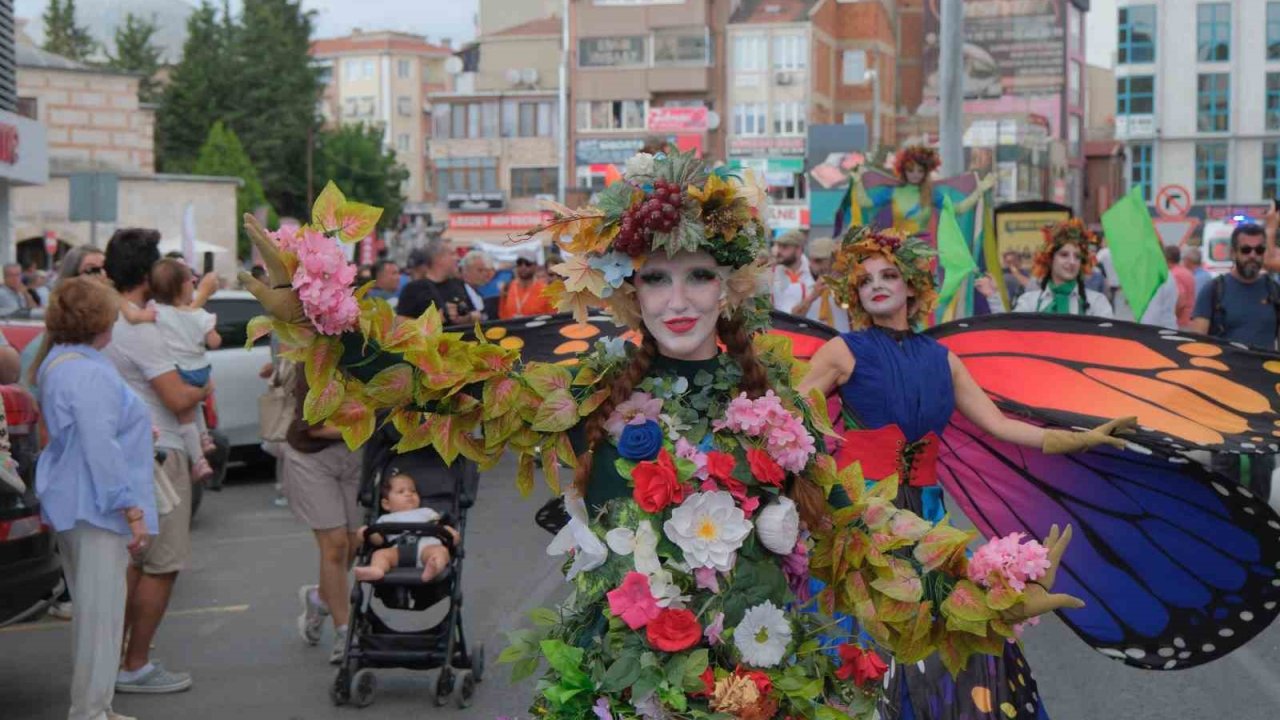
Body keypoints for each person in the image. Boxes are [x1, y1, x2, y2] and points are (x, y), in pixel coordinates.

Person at [241, 153, 1082, 717]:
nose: (678, 298)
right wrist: (329, 317)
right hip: (625, 678)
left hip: (759, 673)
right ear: (629, 292)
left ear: (731, 287)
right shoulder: (592, 385)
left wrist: (983, 583)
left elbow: (854, 534)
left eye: (699, 276)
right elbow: (446, 385)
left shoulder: (777, 400)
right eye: (656, 278)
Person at [799, 227, 1134, 719]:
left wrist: (1075, 438)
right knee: (863, 630)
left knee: (944, 626)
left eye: (888, 274)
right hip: (861, 514)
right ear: (855, 293)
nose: (877, 285)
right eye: (865, 279)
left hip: (927, 513)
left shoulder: (943, 359)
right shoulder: (842, 350)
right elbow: (792, 415)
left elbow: (998, 424)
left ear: (912, 286)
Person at [33, 277, 156, 720]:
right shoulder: (86, 369)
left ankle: (94, 709)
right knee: (101, 619)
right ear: (100, 319)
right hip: (96, 506)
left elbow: (90, 436)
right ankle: (90, 712)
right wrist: (133, 510)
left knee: (96, 615)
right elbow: (99, 446)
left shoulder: (61, 362)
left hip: (78, 500)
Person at [103, 227, 206, 695]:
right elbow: (178, 396)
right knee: (161, 565)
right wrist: (205, 385)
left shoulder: (109, 318)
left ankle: (112, 657)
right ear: (147, 273)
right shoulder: (141, 330)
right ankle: (134, 664)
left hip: (132, 447)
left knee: (135, 563)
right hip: (162, 450)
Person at [1190, 222, 1277, 502]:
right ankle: (1229, 533)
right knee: (1226, 471)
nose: (1253, 255)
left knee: (1262, 469)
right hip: (1223, 398)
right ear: (1233, 252)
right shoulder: (1214, 291)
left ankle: (1261, 533)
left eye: (1259, 249)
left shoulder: (1274, 292)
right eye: (1246, 249)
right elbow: (1196, 346)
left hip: (1265, 400)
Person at [281, 372, 364, 664]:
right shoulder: (314, 365)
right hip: (311, 457)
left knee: (355, 544)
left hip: (354, 457)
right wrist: (371, 425)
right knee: (336, 546)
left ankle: (319, 598)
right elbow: (315, 428)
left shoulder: (376, 357)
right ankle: (345, 633)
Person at [150, 259, 221, 483]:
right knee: (195, 403)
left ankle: (198, 460)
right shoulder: (200, 315)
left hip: (179, 371)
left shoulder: (157, 312)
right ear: (184, 286)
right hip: (201, 370)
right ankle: (205, 438)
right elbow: (215, 341)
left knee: (185, 418)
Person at [985, 219, 1114, 317]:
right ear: (1050, 259)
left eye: (1077, 257)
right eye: (1064, 255)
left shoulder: (1097, 303)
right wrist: (993, 296)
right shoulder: (1030, 302)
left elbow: (1108, 345)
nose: (1072, 262)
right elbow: (1011, 336)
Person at [351, 472, 457, 583]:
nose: (409, 494)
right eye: (401, 491)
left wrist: (452, 534)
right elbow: (378, 541)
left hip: (427, 548)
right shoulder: (385, 519)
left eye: (413, 491)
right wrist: (366, 533)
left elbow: (440, 526)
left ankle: (433, 569)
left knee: (440, 552)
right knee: (380, 554)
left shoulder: (426, 512)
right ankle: (377, 570)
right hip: (398, 551)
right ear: (386, 504)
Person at [396, 239, 479, 323]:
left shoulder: (458, 283)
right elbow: (400, 323)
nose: (457, 258)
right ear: (438, 258)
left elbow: (477, 314)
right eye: (452, 254)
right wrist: (436, 320)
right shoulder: (413, 289)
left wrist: (467, 317)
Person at [790, 237, 851, 331]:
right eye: (811, 260)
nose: (812, 266)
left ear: (834, 260)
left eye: (819, 261)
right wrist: (812, 297)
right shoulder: (803, 287)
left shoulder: (849, 285)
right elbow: (791, 321)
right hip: (817, 343)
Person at [499, 252, 554, 319]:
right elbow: (502, 316)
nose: (523, 267)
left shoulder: (546, 290)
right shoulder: (507, 288)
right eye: (520, 263)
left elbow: (552, 317)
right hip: (513, 328)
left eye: (528, 263)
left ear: (535, 266)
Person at [770, 229, 813, 313]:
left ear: (798, 250)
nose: (779, 251)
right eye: (779, 246)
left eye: (785, 247)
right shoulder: (772, 273)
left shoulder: (813, 273)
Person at [458, 250, 496, 320]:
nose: (485, 274)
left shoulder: (478, 293)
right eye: (480, 270)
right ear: (466, 271)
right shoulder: (458, 293)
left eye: (485, 270)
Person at [1166, 244, 1196, 329]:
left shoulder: (1173, 275)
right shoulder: (1187, 272)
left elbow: (1180, 301)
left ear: (1166, 259)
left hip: (1180, 323)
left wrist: (1173, 317)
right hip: (1190, 320)